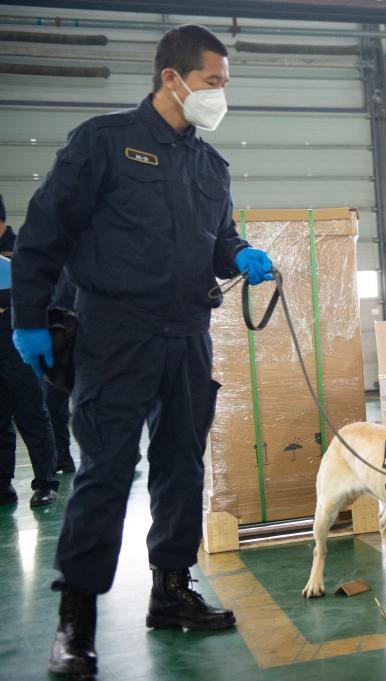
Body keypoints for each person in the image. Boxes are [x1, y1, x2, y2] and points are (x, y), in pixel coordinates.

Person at [10, 25, 274, 678]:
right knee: (105, 472)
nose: (220, 95)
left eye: (224, 84)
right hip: (114, 335)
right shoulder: (103, 143)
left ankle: (171, 591)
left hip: (188, 334)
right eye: (212, 82)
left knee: (181, 465)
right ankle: (75, 623)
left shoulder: (211, 166)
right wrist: (29, 319)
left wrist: (240, 253)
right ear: (172, 79)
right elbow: (44, 232)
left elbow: (219, 238)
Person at [0, 192, 60, 507]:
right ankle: (2, 484)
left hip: (19, 347)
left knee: (32, 415)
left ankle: (46, 483)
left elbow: (41, 291)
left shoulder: (21, 249)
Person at [46, 270, 79, 475]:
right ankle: (62, 456)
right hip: (59, 337)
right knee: (54, 402)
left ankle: (124, 451)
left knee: (96, 399)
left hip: (88, 332)